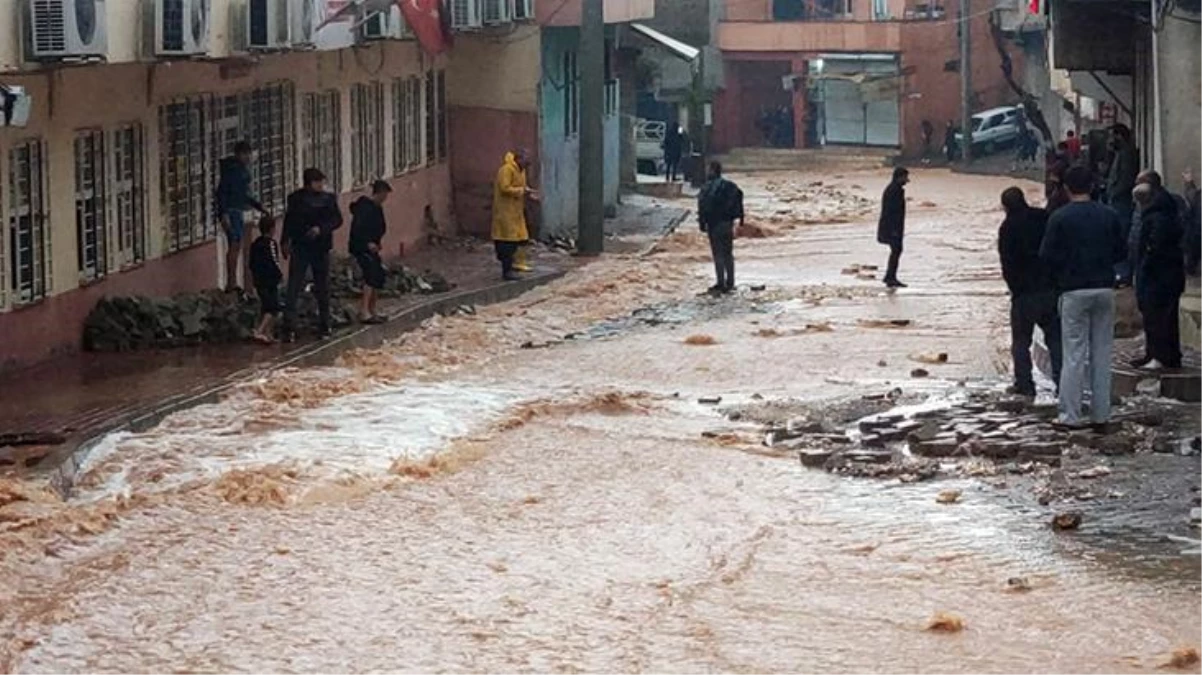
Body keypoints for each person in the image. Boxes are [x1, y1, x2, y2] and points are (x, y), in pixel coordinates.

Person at [1039, 165, 1126, 427]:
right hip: (1104, 289)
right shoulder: (1109, 215)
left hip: (1073, 291)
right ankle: (1102, 415)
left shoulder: (1060, 218)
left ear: (1066, 188)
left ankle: (1070, 415)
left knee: (1074, 356)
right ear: (1092, 187)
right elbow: (1121, 252)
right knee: (1102, 353)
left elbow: (1046, 256)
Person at [998, 187, 1061, 397]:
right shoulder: (1043, 217)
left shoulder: (1007, 228)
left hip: (1024, 293)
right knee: (1056, 339)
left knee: (1021, 341)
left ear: (1006, 207)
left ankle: (1024, 385)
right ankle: (1063, 382)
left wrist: (1015, 288)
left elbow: (1006, 263)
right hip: (1049, 289)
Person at [1130, 172, 1185, 370]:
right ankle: (1154, 353)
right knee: (1152, 315)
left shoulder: (1160, 210)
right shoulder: (1150, 207)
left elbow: (1157, 244)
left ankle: (1162, 356)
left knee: (1160, 317)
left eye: (1139, 182)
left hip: (1161, 275)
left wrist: (1146, 263)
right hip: (1156, 273)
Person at [281, 168, 343, 341]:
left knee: (322, 287)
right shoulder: (296, 199)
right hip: (301, 246)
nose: (322, 185)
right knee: (294, 286)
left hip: (320, 247)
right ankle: (289, 327)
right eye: (319, 182)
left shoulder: (328, 200)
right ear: (311, 183)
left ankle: (325, 325)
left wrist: (321, 229)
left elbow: (337, 220)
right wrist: (284, 241)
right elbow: (289, 220)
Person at [214, 141, 266, 291]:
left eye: (249, 153)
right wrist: (224, 213)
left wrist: (258, 205)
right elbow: (222, 193)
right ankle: (231, 282)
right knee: (234, 244)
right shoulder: (232, 171)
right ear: (238, 154)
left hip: (237, 210)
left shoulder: (241, 170)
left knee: (236, 244)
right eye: (245, 154)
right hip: (231, 211)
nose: (248, 157)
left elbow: (244, 195)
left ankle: (232, 281)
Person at [349, 179, 393, 324]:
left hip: (373, 247)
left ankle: (372, 309)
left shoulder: (377, 208)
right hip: (361, 248)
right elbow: (358, 229)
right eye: (385, 195)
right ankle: (364, 311)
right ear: (379, 193)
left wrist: (377, 242)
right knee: (370, 276)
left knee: (378, 276)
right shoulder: (365, 207)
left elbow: (380, 227)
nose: (386, 198)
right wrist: (368, 243)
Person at [697, 161, 744, 294]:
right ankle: (730, 282)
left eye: (708, 169)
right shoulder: (730, 186)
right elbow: (739, 201)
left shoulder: (707, 187)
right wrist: (739, 220)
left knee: (718, 254)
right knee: (728, 253)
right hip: (728, 223)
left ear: (712, 171)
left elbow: (702, 206)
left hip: (714, 224)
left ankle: (720, 283)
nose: (707, 172)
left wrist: (702, 223)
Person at [492, 150, 535, 281]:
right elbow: (504, 188)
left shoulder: (521, 170)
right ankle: (507, 270)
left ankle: (515, 264)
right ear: (518, 159)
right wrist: (522, 191)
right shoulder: (506, 170)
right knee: (507, 242)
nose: (528, 163)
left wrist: (528, 193)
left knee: (520, 239)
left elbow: (522, 186)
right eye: (526, 159)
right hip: (505, 212)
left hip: (516, 211)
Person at [1106, 124, 1138, 282]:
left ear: (1119, 136)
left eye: (1112, 136)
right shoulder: (1120, 153)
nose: (1109, 141)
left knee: (1121, 236)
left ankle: (1123, 274)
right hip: (1118, 201)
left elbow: (1125, 180)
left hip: (1121, 202)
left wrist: (1114, 194)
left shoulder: (1126, 154)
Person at [248, 214, 283, 345]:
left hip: (258, 280)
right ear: (272, 229)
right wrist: (279, 275)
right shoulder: (271, 244)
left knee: (265, 305)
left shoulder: (254, 244)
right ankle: (260, 331)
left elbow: (251, 263)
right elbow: (275, 261)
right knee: (272, 307)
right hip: (270, 281)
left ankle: (268, 334)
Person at [877, 167, 909, 288]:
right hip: (892, 227)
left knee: (896, 250)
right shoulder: (894, 190)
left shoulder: (894, 189)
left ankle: (890, 276)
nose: (906, 180)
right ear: (899, 177)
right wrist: (894, 230)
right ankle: (890, 277)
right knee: (896, 250)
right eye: (905, 177)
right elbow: (892, 212)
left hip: (892, 226)